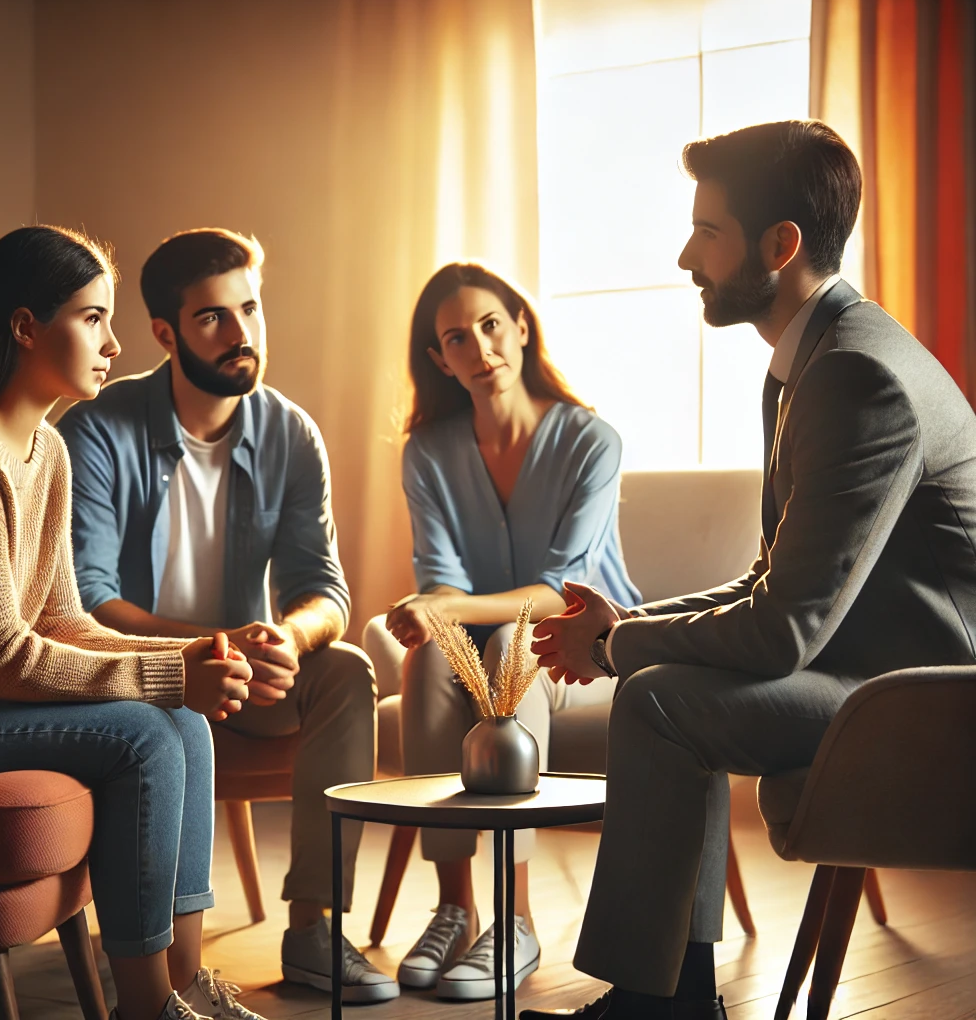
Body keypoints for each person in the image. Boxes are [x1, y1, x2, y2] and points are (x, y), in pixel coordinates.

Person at [525, 120, 976, 1020]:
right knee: (654, 677)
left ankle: (662, 1007)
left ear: (782, 245)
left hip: (924, 702)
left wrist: (618, 647)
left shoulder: (855, 375)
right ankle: (673, 999)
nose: (687, 255)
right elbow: (773, 581)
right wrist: (626, 627)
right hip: (868, 670)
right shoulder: (813, 358)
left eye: (708, 231)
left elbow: (784, 630)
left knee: (655, 698)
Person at [56, 228, 395, 1003]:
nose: (241, 333)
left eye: (250, 308)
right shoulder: (99, 428)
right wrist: (208, 647)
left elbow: (326, 593)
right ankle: (163, 973)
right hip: (140, 683)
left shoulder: (290, 433)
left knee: (344, 668)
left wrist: (287, 636)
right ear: (165, 333)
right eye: (213, 317)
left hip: (249, 684)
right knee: (166, 704)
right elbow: (88, 599)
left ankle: (313, 931)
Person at [0, 225, 275, 1020]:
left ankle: (186, 983)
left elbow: (61, 618)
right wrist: (169, 672)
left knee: (186, 724)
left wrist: (189, 655)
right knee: (144, 733)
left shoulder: (47, 450)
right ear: (27, 326)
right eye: (92, 318)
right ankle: (145, 1005)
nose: (115, 340)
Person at [364, 262, 640, 1001]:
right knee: (428, 658)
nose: (480, 346)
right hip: (478, 653)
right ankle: (456, 906)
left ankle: (514, 919)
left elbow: (559, 597)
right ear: (439, 359)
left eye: (491, 324)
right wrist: (438, 615)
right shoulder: (427, 451)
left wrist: (446, 609)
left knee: (509, 646)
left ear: (521, 324)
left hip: (590, 659)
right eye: (457, 337)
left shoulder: (592, 441)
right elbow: (440, 577)